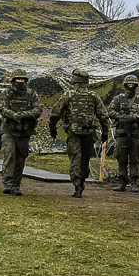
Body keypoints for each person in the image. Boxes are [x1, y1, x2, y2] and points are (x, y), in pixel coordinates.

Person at [49, 68, 111, 197]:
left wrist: (52, 127)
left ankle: (77, 185)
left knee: (75, 159)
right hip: (89, 133)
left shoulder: (69, 94)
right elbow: (103, 115)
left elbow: (56, 111)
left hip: (74, 133)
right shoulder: (93, 96)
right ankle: (81, 182)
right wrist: (105, 132)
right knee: (84, 160)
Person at [0, 70, 41, 195]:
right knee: (9, 154)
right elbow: (1, 108)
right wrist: (13, 115)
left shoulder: (31, 94)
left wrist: (25, 115)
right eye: (18, 79)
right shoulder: (6, 93)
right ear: (13, 80)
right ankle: (8, 183)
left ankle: (16, 185)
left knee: (21, 158)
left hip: (24, 131)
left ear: (25, 81)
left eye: (22, 79)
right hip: (9, 130)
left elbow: (38, 109)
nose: (20, 81)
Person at [106, 78, 139, 192]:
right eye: (129, 84)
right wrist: (120, 117)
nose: (130, 86)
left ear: (136, 85)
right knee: (121, 158)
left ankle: (134, 182)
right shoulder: (118, 99)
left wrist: (134, 117)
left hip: (135, 133)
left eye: (132, 84)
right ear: (125, 85)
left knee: (135, 158)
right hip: (122, 133)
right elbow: (110, 111)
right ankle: (121, 181)